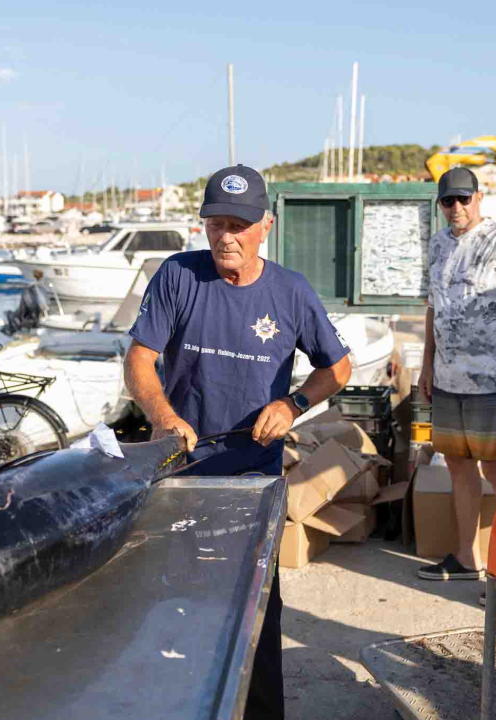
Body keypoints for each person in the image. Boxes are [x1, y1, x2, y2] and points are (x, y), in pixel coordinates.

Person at [125, 164, 352, 719]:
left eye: (240, 225)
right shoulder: (178, 276)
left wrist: (293, 404)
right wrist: (162, 415)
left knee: (255, 612)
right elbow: (139, 360)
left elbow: (339, 368)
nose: (227, 236)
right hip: (179, 477)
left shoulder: (291, 291)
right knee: (175, 607)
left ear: (265, 226)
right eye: (217, 223)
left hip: (253, 484)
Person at [415, 167, 496, 609]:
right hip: (447, 382)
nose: (456, 207)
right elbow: (433, 308)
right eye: (447, 201)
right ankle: (465, 557)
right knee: (457, 466)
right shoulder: (437, 244)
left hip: (495, 383)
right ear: (440, 204)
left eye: (463, 199)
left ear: (479, 198)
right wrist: (427, 365)